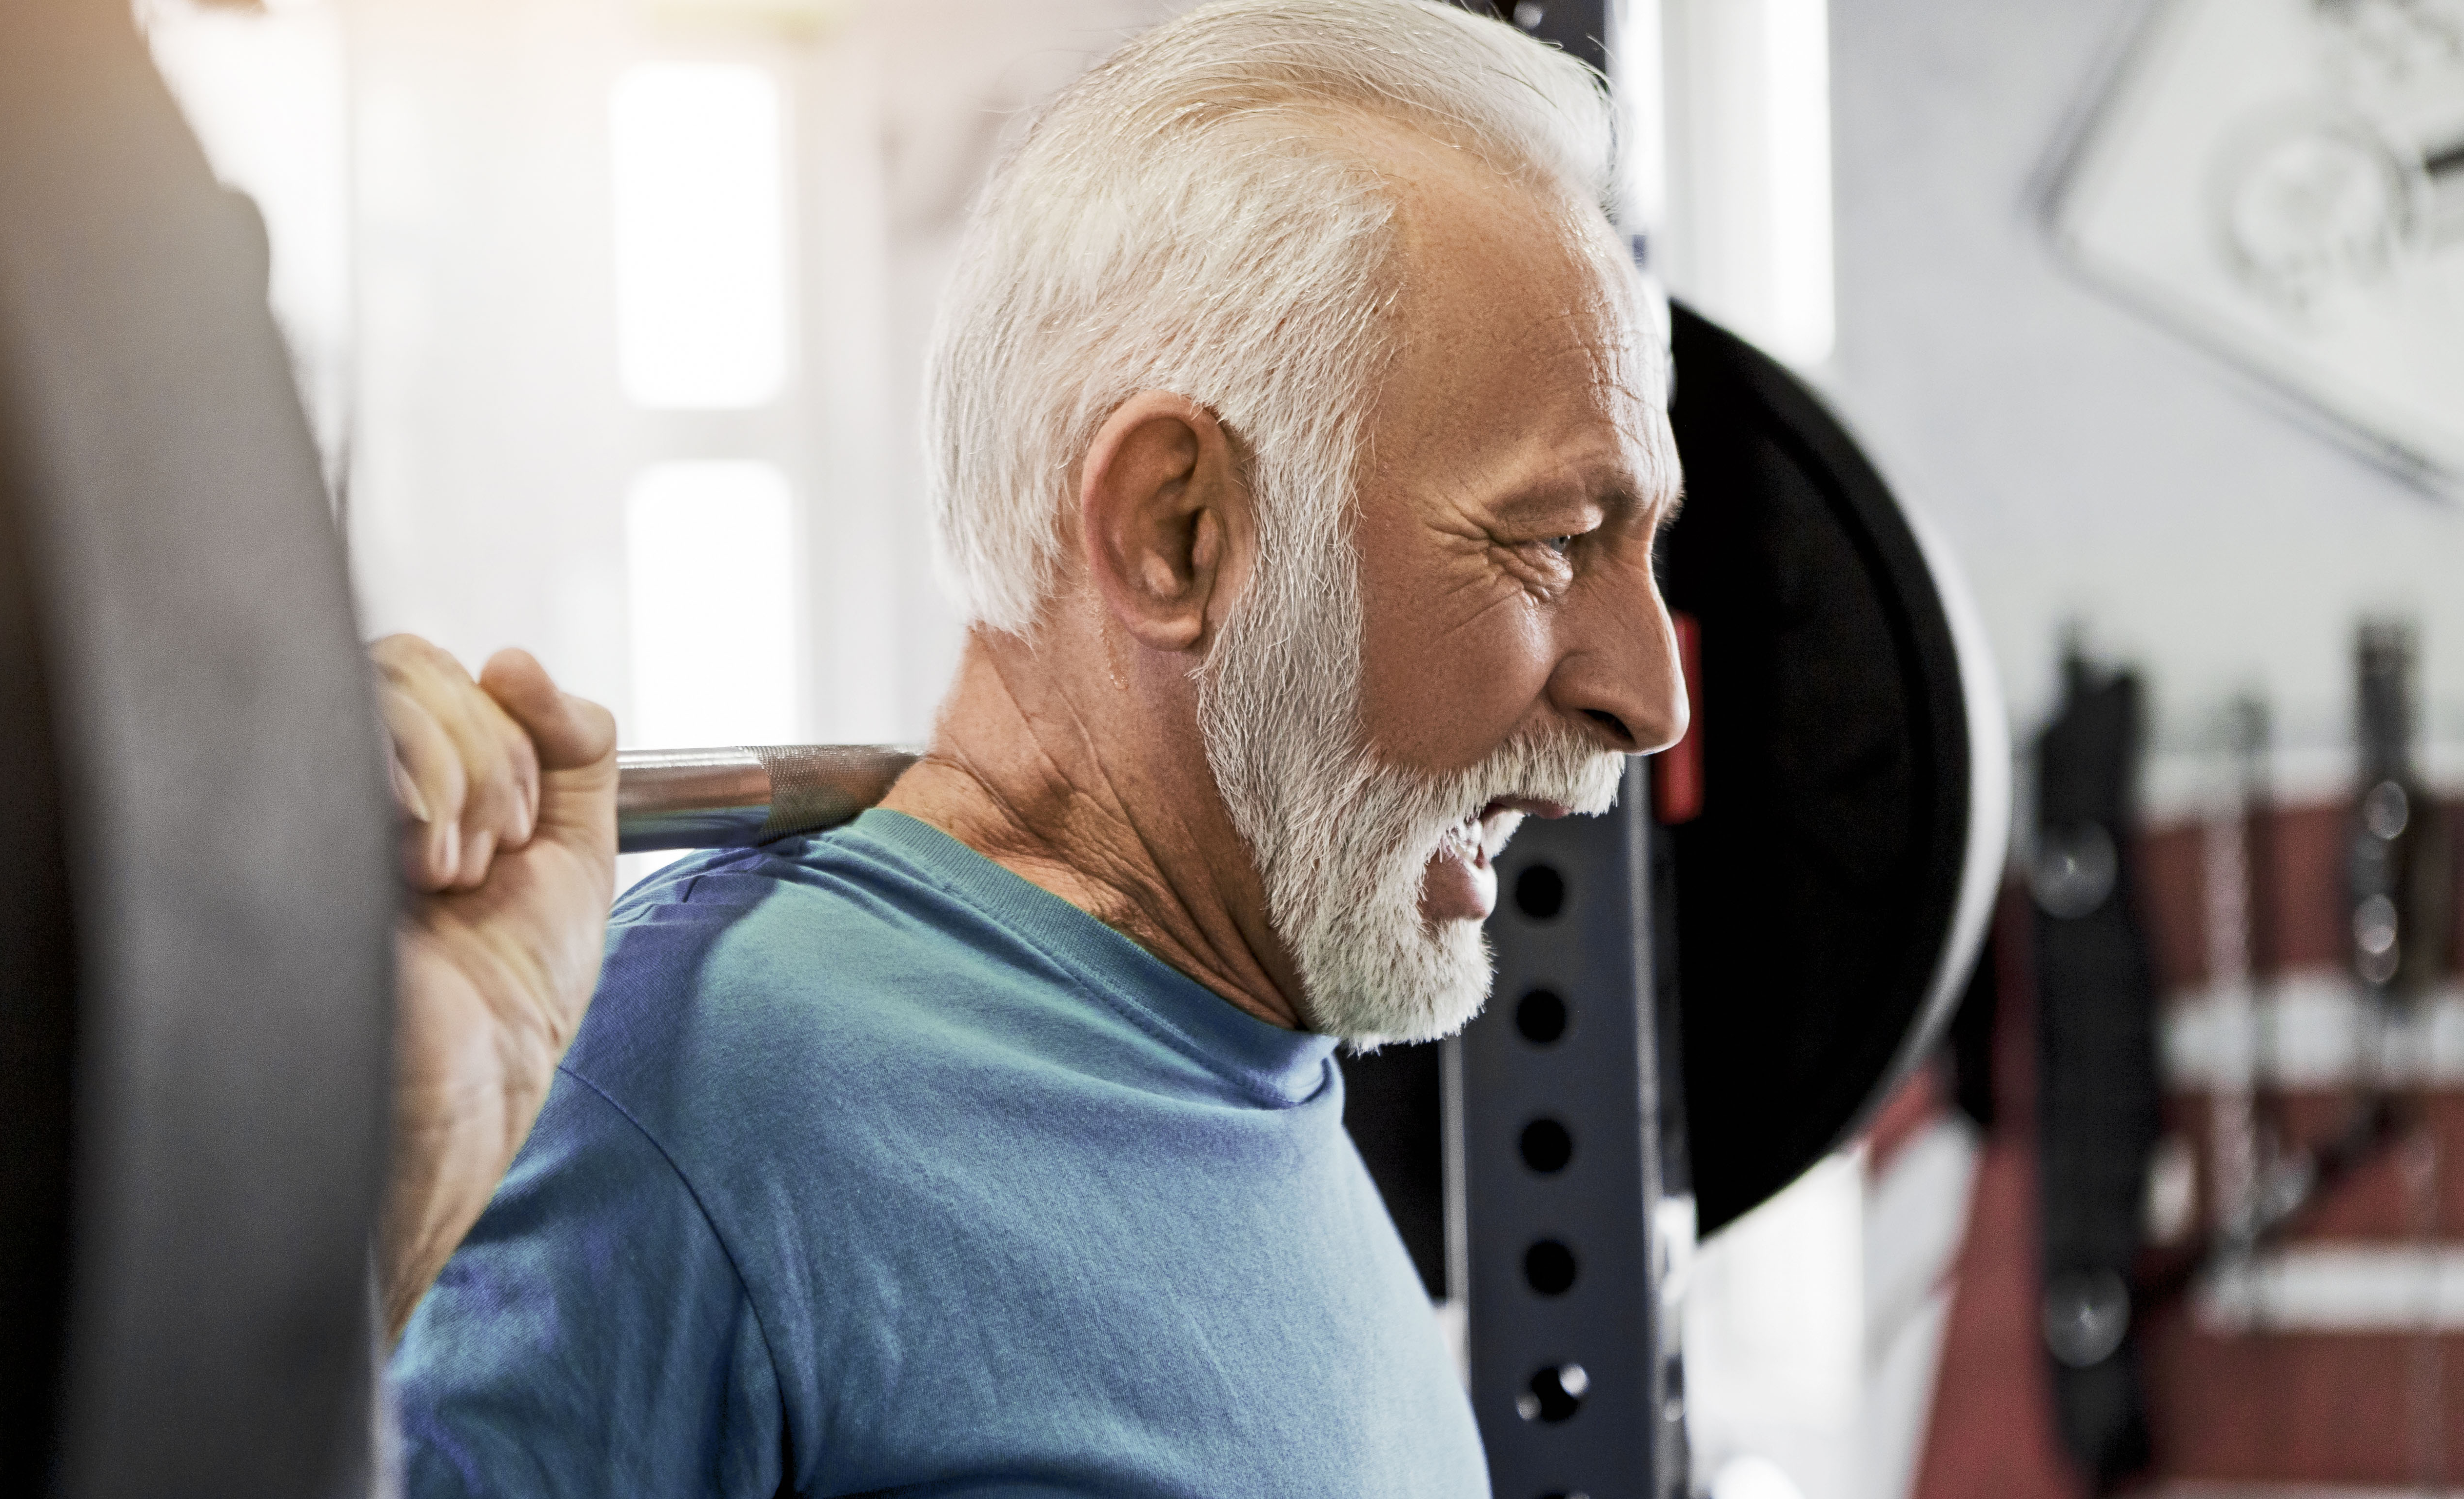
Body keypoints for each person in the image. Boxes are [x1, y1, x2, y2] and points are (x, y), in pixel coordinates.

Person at [378, 0, 1688, 1491]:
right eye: (1555, 541)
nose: (1651, 698)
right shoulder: (703, 1092)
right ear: (1177, 533)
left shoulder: (1256, 1046)